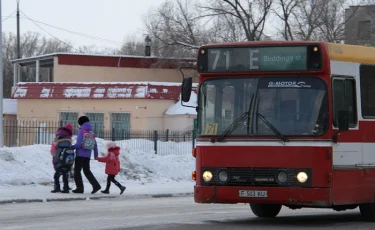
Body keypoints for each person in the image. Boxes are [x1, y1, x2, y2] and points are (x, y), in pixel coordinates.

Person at [71, 116, 101, 194]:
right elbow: (95, 144)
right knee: (87, 171)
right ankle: (96, 185)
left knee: (77, 171)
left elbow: (78, 144)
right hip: (88, 155)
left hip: (80, 154)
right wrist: (96, 154)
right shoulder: (91, 131)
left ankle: (80, 188)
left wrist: (71, 147)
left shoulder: (81, 130)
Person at [50, 123, 74, 193]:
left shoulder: (59, 147)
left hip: (60, 164)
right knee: (65, 175)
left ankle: (57, 188)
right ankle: (66, 188)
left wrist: (56, 164)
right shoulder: (69, 145)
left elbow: (56, 156)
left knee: (56, 176)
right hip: (67, 163)